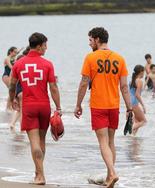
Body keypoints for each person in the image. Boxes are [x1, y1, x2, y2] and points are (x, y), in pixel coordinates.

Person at [74, 27, 132, 188]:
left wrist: (78, 104)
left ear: (98, 40)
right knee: (111, 141)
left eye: (91, 40)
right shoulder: (120, 58)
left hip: (98, 106)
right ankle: (108, 178)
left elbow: (84, 83)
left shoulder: (90, 58)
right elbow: (125, 87)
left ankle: (112, 173)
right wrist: (129, 108)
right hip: (114, 106)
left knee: (103, 141)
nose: (89, 43)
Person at [9, 33, 61, 185]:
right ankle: (39, 172)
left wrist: (12, 99)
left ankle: (40, 176)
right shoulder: (47, 64)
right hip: (44, 106)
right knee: (42, 141)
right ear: (38, 46)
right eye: (45, 45)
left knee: (34, 142)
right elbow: (53, 87)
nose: (46, 48)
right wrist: (58, 106)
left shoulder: (18, 64)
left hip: (29, 106)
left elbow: (12, 85)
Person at [9, 47, 31, 130]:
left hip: (17, 91)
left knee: (19, 109)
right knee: (23, 111)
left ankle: (12, 124)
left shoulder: (15, 69)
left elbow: (12, 83)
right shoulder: (24, 69)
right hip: (23, 90)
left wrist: (13, 97)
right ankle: (22, 128)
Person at [129, 65, 147, 135]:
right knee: (143, 121)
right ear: (141, 72)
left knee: (137, 121)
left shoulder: (131, 81)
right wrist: (143, 106)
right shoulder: (139, 81)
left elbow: (129, 93)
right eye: (144, 72)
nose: (144, 74)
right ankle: (130, 130)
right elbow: (137, 95)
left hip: (130, 103)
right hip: (134, 103)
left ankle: (133, 138)